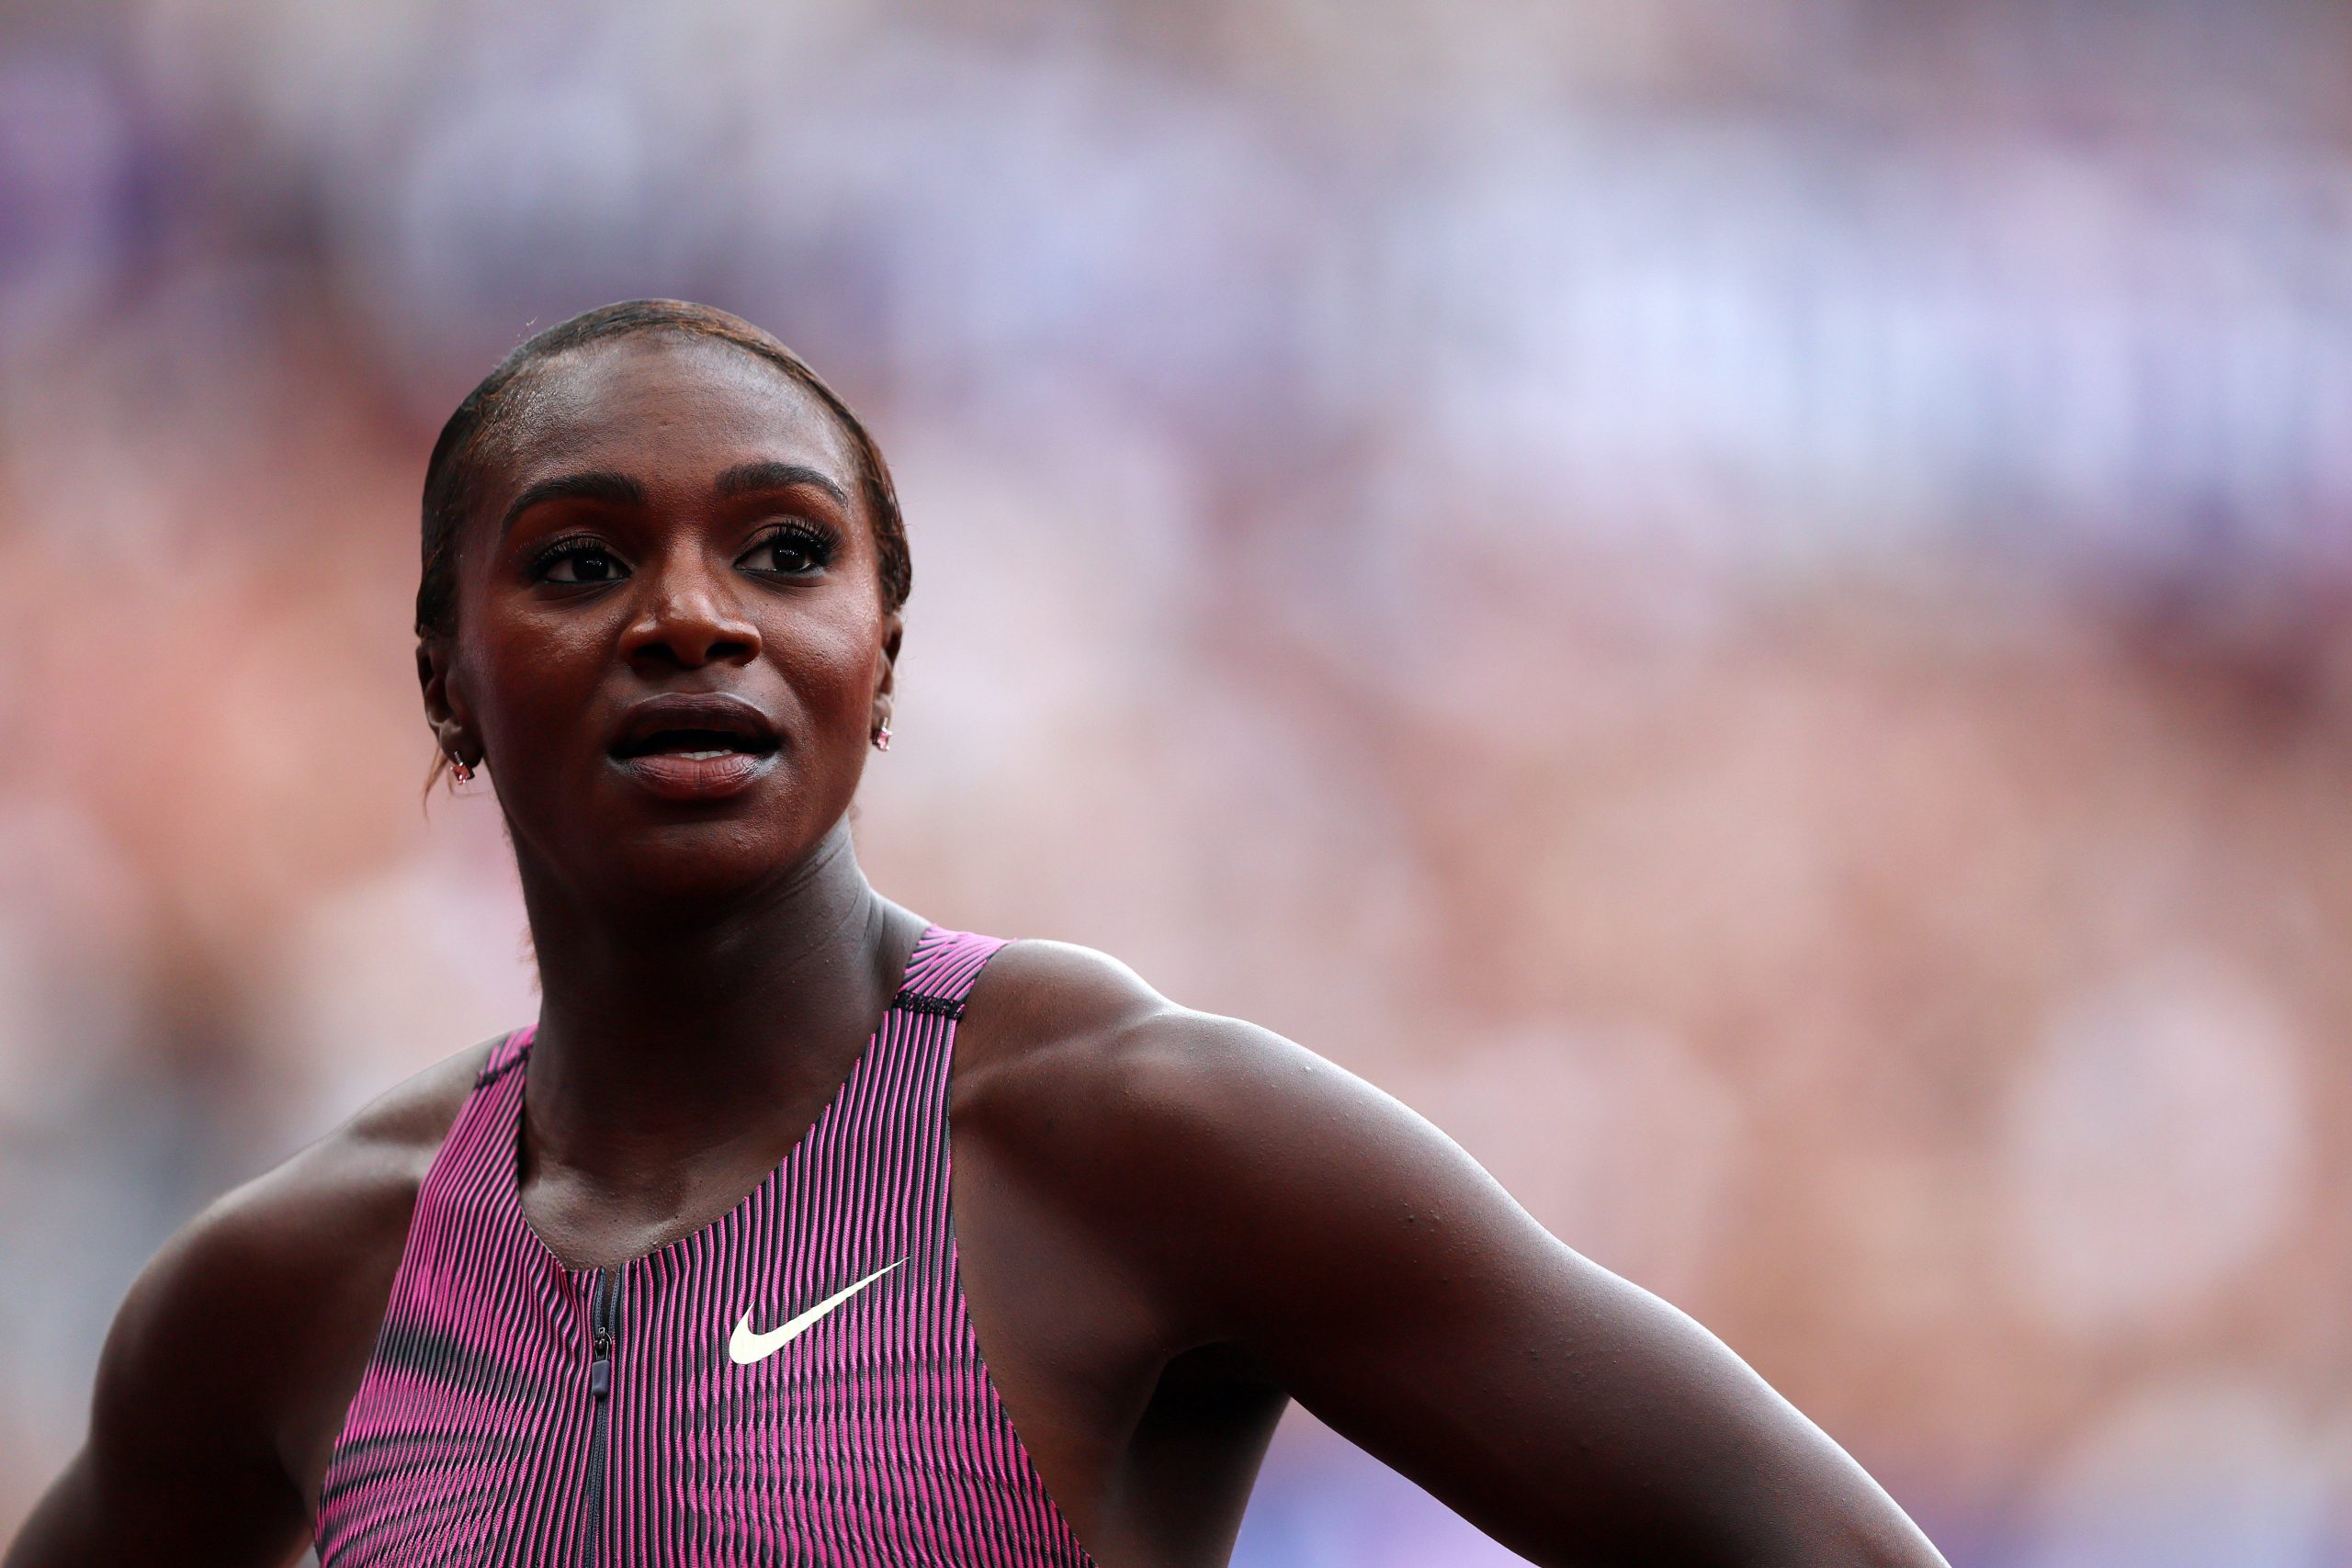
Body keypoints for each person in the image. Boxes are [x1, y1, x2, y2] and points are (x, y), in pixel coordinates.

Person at [4, 299, 1948, 1568]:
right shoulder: (296, 1281)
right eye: (582, 557)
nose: (692, 616)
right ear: (446, 672)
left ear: (882, 656)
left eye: (783, 549)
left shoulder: (1124, 1135)